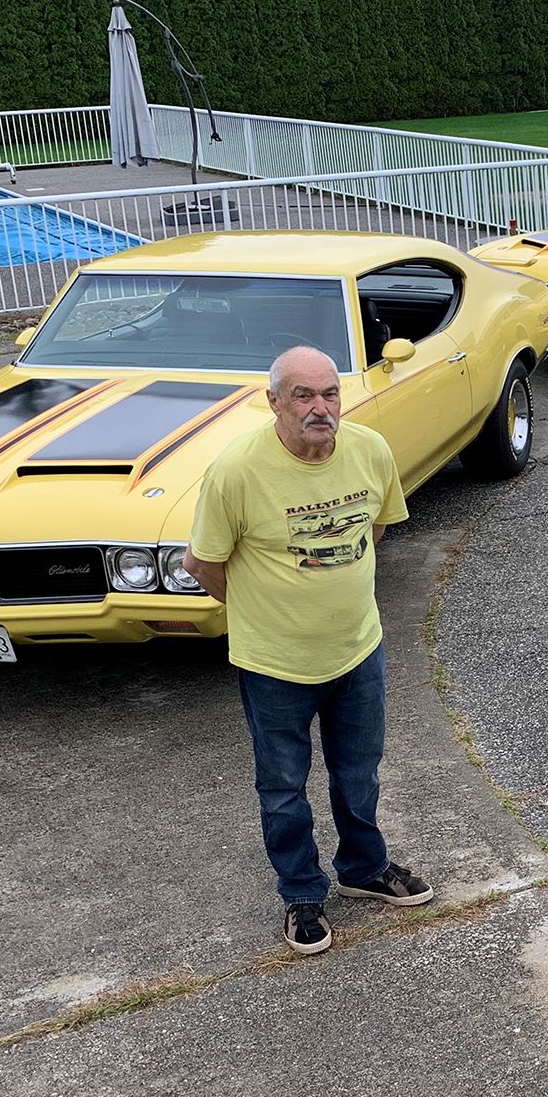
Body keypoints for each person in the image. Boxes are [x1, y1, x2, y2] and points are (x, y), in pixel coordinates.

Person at [186, 346, 432, 957]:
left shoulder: (370, 450)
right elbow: (204, 564)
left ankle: (363, 869)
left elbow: (372, 532)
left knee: (358, 771)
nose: (320, 408)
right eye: (303, 395)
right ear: (273, 402)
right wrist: (264, 614)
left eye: (330, 394)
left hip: (358, 650)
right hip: (274, 664)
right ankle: (301, 893)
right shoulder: (238, 470)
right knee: (283, 788)